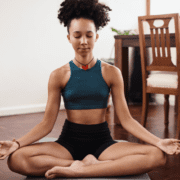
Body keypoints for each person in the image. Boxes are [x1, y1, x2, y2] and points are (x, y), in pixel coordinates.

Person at [0, 0, 180, 179]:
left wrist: (159, 142)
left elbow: (126, 120)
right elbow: (46, 124)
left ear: (97, 36)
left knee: (157, 155)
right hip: (68, 143)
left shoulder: (112, 73)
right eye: (77, 36)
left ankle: (83, 169)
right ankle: (83, 165)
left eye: (89, 35)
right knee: (16, 159)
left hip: (103, 143)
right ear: (69, 37)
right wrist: (16, 144)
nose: (84, 41)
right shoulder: (58, 75)